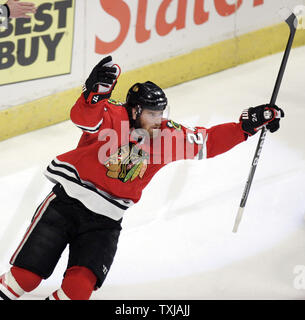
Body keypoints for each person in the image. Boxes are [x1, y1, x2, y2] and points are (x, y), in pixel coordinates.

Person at [0, 56, 284, 300]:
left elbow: (206, 142)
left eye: (161, 113)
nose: (158, 120)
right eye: (151, 113)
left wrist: (247, 125)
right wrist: (93, 97)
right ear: (134, 110)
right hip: (65, 207)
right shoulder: (112, 116)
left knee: (78, 290)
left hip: (105, 223)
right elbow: (84, 119)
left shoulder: (166, 137)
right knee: (24, 278)